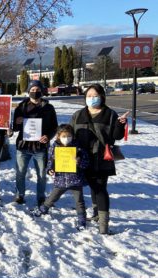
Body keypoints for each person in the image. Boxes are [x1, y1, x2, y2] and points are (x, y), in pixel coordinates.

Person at [70, 84, 128, 234]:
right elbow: (70, 135)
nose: (92, 98)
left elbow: (116, 136)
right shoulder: (78, 114)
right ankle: (96, 214)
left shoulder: (109, 114)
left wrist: (120, 125)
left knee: (100, 189)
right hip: (82, 158)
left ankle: (103, 224)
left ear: (102, 96)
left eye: (95, 95)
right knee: (92, 187)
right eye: (89, 96)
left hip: (102, 158)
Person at [34, 124, 89, 230]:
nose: (66, 138)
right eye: (64, 136)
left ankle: (82, 220)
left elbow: (86, 163)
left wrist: (79, 161)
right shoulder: (54, 146)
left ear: (73, 136)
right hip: (60, 180)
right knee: (52, 198)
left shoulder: (78, 147)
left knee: (79, 201)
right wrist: (50, 169)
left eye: (69, 136)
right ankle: (42, 209)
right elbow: (50, 161)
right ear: (58, 136)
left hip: (75, 180)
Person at [12, 80, 58, 207]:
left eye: (37, 90)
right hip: (23, 146)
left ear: (42, 91)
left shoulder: (49, 108)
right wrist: (17, 122)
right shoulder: (21, 107)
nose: (35, 92)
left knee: (42, 174)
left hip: (40, 147)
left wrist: (48, 137)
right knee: (20, 173)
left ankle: (41, 197)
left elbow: (55, 127)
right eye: (32, 90)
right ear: (28, 91)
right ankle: (19, 196)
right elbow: (14, 128)